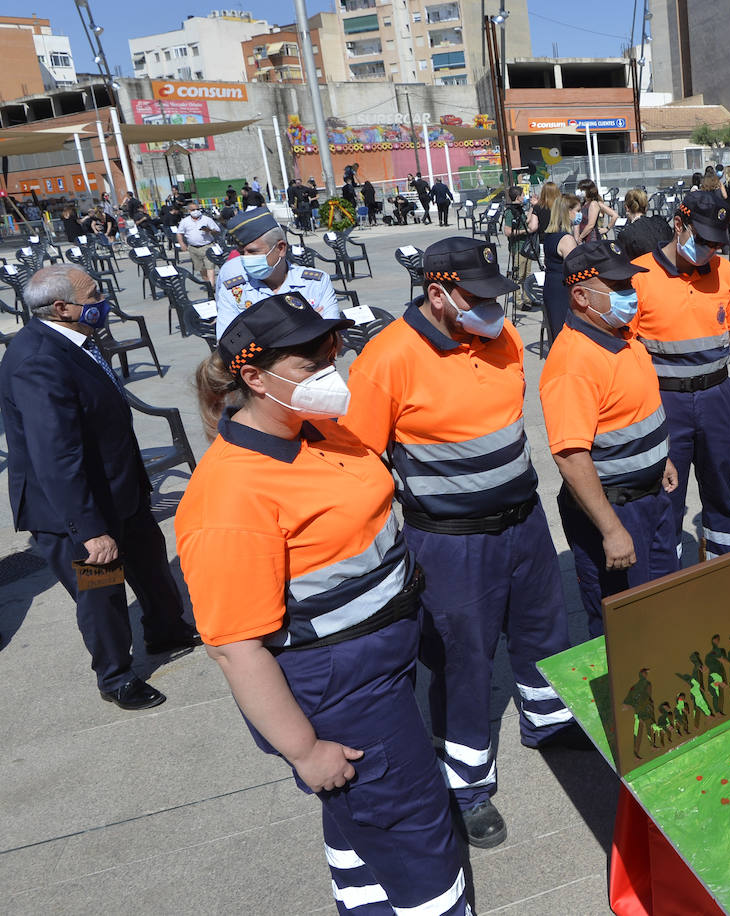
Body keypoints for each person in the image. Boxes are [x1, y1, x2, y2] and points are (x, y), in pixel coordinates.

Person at [176, 295, 474, 914]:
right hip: (341, 692)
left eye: (330, 348)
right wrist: (304, 751)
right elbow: (234, 648)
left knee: (360, 824)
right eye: (308, 359)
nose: (327, 366)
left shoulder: (320, 429)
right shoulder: (230, 498)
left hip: (380, 666)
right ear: (252, 377)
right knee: (416, 831)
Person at [343, 237, 580, 851]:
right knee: (463, 660)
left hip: (522, 522)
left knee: (542, 633)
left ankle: (548, 722)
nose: (493, 311)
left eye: (494, 297)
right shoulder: (387, 358)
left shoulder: (498, 338)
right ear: (438, 294)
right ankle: (468, 784)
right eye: (476, 299)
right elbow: (362, 459)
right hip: (451, 543)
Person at [0, 265, 199, 709]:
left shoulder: (73, 340)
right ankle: (116, 677)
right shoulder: (37, 361)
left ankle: (166, 629)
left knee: (151, 569)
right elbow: (57, 456)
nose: (101, 301)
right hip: (76, 510)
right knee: (101, 595)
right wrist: (90, 530)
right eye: (93, 297)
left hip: (120, 492)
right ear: (61, 307)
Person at [539, 240, 681, 636]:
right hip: (616, 510)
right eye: (617, 287)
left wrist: (660, 458)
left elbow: (635, 413)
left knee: (662, 604)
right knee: (625, 627)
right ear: (581, 296)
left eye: (629, 285)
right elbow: (570, 456)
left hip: (651, 498)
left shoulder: (622, 335)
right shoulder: (573, 364)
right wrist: (612, 530)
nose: (629, 295)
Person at [630, 190, 730, 561]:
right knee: (666, 499)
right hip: (665, 404)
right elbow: (628, 351)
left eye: (717, 243)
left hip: (717, 397)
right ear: (679, 225)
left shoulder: (724, 271)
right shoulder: (639, 276)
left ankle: (720, 567)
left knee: (721, 492)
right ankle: (671, 577)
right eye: (704, 240)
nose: (711, 250)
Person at [215, 208, 339, 340]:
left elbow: (332, 339)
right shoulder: (233, 291)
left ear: (281, 248)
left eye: (253, 252)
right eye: (242, 253)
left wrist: (260, 335)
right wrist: (303, 325)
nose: (245, 258)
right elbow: (229, 347)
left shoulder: (315, 283)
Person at [541, 194, 579, 340]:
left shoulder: (550, 235)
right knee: (566, 333)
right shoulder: (566, 239)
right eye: (577, 210)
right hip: (563, 290)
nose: (579, 214)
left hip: (551, 286)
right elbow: (575, 268)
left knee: (557, 330)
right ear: (568, 212)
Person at [616, 188, 673, 260]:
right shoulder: (661, 222)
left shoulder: (626, 234)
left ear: (627, 208)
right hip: (668, 267)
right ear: (646, 207)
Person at [501, 185, 534, 304]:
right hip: (518, 248)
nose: (524, 197)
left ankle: (527, 297)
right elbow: (508, 232)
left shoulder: (519, 209)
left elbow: (526, 221)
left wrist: (532, 208)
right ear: (518, 197)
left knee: (527, 275)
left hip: (526, 247)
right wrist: (525, 231)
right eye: (523, 195)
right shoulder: (510, 212)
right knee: (518, 276)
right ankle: (518, 300)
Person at [178, 203, 221, 287]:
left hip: (207, 246)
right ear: (189, 211)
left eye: (197, 209)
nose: (196, 211)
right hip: (193, 248)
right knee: (201, 268)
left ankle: (211, 287)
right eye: (193, 210)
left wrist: (209, 230)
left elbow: (217, 231)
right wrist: (181, 243)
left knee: (210, 267)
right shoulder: (185, 221)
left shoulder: (206, 219)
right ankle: (208, 284)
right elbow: (180, 233)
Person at [574, 179, 617, 244]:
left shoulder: (594, 204)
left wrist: (606, 229)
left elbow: (591, 225)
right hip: (584, 239)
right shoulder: (583, 204)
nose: (579, 191)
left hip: (592, 239)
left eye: (581, 190)